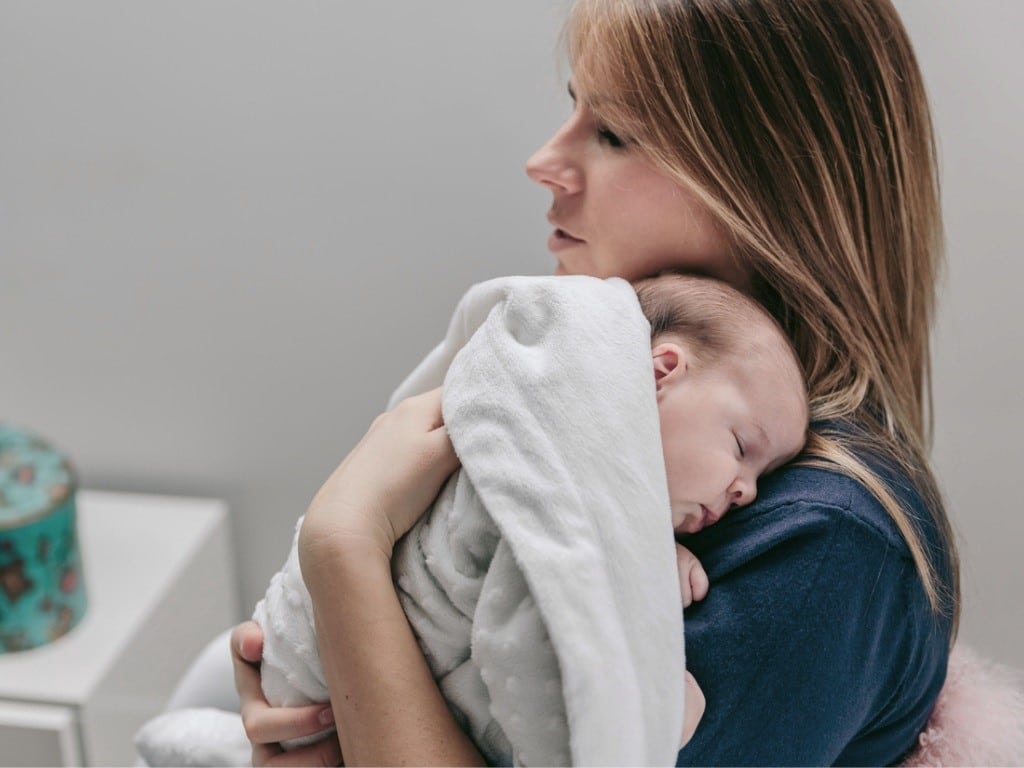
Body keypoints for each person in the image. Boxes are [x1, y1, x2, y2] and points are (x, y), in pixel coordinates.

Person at [231, 0, 959, 765]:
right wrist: (317, 679)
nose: (544, 160)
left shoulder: (825, 548)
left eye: (613, 132)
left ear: (766, 184)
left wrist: (343, 548)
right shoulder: (608, 411)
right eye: (574, 107)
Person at [249, 273, 808, 763]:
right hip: (316, 692)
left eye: (763, 477)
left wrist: (648, 557)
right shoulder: (536, 471)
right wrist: (652, 704)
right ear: (663, 372)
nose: (747, 492)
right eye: (741, 447)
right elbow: (532, 653)